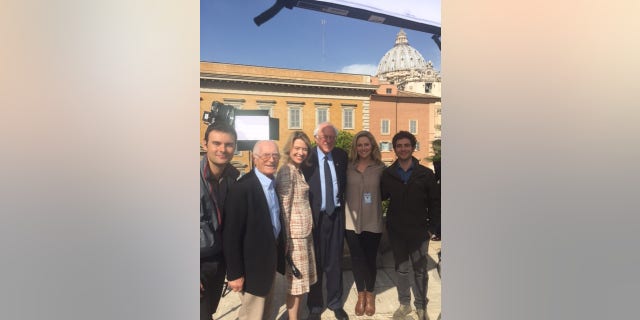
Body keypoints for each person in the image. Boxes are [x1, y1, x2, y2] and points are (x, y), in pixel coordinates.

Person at [381, 131, 440, 320]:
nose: (403, 149)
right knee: (402, 269)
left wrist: (433, 228)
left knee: (421, 270)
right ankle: (404, 304)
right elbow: (381, 196)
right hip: (397, 230)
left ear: (412, 148)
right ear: (395, 149)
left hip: (419, 231)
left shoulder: (425, 174)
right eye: (399, 146)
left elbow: (435, 202)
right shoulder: (388, 173)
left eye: (406, 145)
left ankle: (421, 305)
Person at [223, 140, 285, 320]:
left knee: (266, 313)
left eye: (275, 156)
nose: (271, 160)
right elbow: (231, 235)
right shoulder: (242, 188)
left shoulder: (273, 184)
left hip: (269, 265)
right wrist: (234, 274)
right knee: (252, 315)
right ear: (255, 158)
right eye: (266, 155)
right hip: (252, 270)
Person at [302, 122, 349, 320]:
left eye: (331, 137)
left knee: (334, 261)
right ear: (316, 138)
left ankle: (335, 302)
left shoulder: (341, 156)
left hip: (336, 215)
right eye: (324, 137)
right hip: (315, 218)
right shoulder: (307, 158)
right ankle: (314, 305)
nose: (328, 140)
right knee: (316, 263)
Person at [275, 131, 318, 320]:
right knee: (296, 285)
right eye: (297, 148)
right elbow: (283, 209)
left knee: (300, 285)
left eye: (304, 149)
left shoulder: (297, 169)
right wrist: (285, 242)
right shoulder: (286, 171)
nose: (301, 152)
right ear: (289, 149)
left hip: (304, 234)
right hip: (294, 238)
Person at [200, 122, 240, 320]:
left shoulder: (232, 178)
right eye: (216, 143)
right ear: (204, 144)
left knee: (209, 311)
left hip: (218, 259)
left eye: (228, 144)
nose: (222, 149)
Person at [344, 131, 385, 317]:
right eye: (359, 145)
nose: (363, 148)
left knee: (370, 260)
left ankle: (370, 294)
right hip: (350, 222)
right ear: (355, 147)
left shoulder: (380, 168)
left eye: (366, 144)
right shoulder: (348, 168)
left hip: (372, 221)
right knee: (357, 260)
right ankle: (361, 294)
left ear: (372, 146)